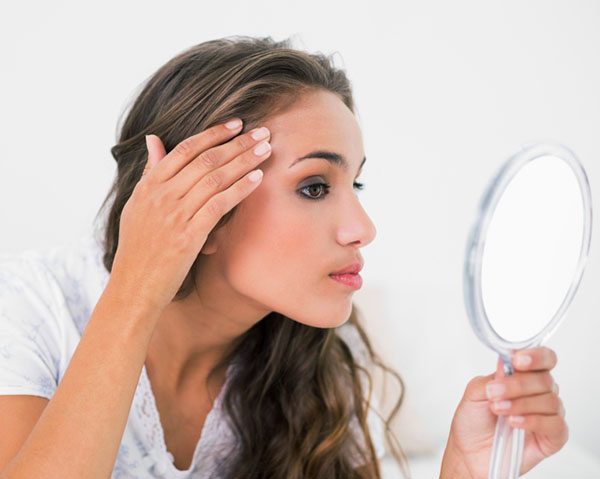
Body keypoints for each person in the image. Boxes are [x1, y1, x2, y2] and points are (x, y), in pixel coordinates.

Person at [0, 36, 567, 479]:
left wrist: (466, 469)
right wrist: (135, 291)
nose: (363, 229)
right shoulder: (31, 310)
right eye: (315, 186)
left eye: (357, 186)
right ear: (198, 206)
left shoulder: (306, 360)